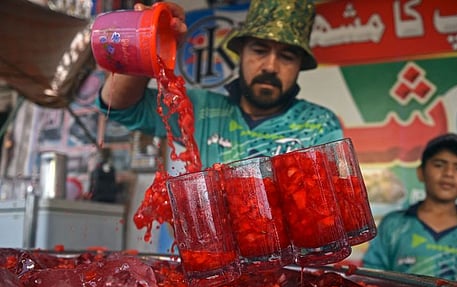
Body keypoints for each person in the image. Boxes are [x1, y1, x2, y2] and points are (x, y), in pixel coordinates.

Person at [95, 0, 344, 168]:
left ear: (300, 66)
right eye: (259, 50)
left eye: (287, 56)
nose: (270, 66)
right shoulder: (200, 109)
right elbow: (120, 106)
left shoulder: (320, 125)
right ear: (240, 54)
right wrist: (151, 44)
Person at [362, 133, 457, 285]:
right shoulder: (394, 225)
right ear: (421, 172)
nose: (449, 173)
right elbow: (371, 280)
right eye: (439, 165)